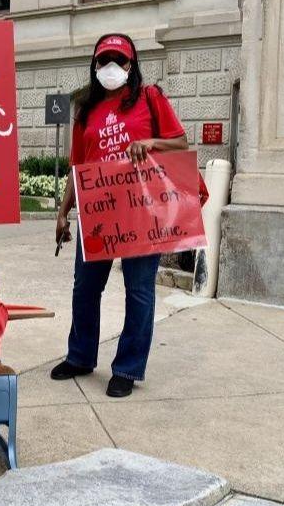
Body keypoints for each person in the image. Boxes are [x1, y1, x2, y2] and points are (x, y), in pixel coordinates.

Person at [51, 33, 189, 398]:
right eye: (104, 61)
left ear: (132, 65)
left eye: (120, 60)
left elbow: (180, 142)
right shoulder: (86, 112)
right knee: (85, 287)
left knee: (139, 291)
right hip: (98, 213)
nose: (112, 67)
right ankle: (80, 356)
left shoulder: (150, 98)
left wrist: (151, 143)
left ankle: (127, 368)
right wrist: (63, 213)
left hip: (142, 214)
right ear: (94, 66)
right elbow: (76, 168)